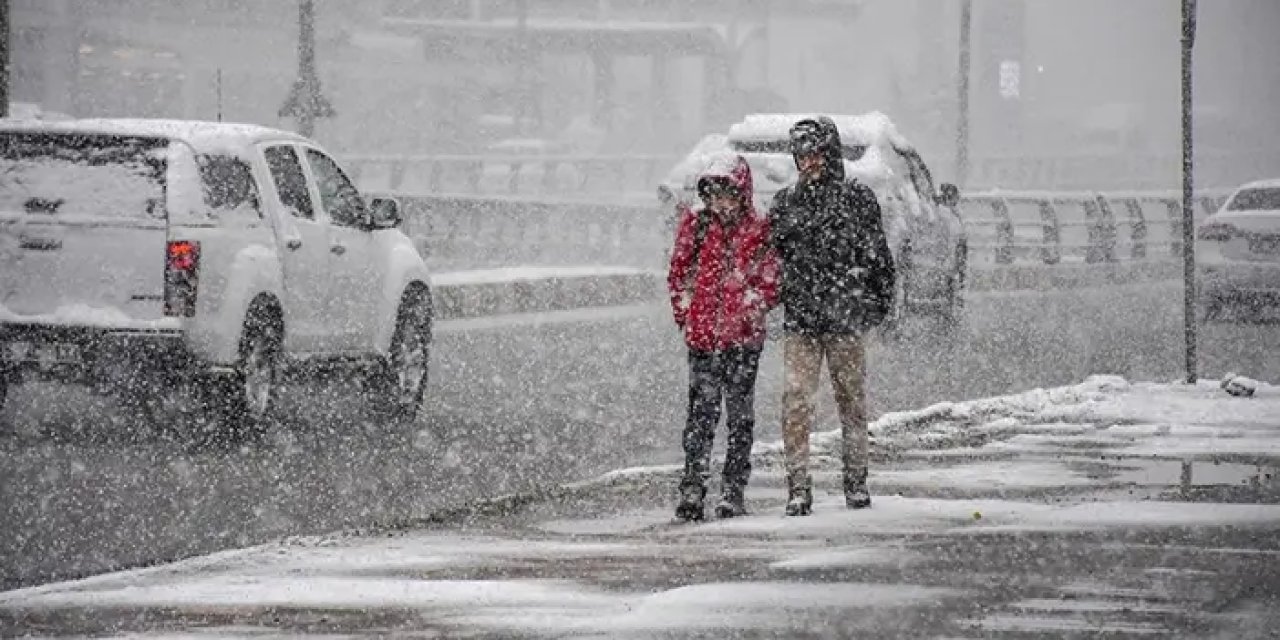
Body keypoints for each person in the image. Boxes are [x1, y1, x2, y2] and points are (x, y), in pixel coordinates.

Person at [768, 116, 896, 516]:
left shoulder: (857, 199)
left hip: (843, 320)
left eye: (815, 153)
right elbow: (772, 260)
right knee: (796, 403)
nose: (808, 162)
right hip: (803, 320)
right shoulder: (786, 203)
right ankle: (798, 486)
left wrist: (871, 309)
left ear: (829, 153)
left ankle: (855, 481)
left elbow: (878, 259)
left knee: (851, 402)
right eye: (802, 155)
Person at [667, 153, 780, 522]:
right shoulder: (697, 226)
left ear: (742, 193)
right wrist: (686, 313)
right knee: (700, 417)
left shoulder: (759, 229)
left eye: (728, 195)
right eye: (714, 195)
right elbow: (679, 274)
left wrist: (750, 308)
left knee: (739, 418)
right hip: (703, 340)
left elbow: (771, 280)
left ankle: (733, 488)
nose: (721, 203)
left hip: (743, 342)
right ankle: (693, 486)